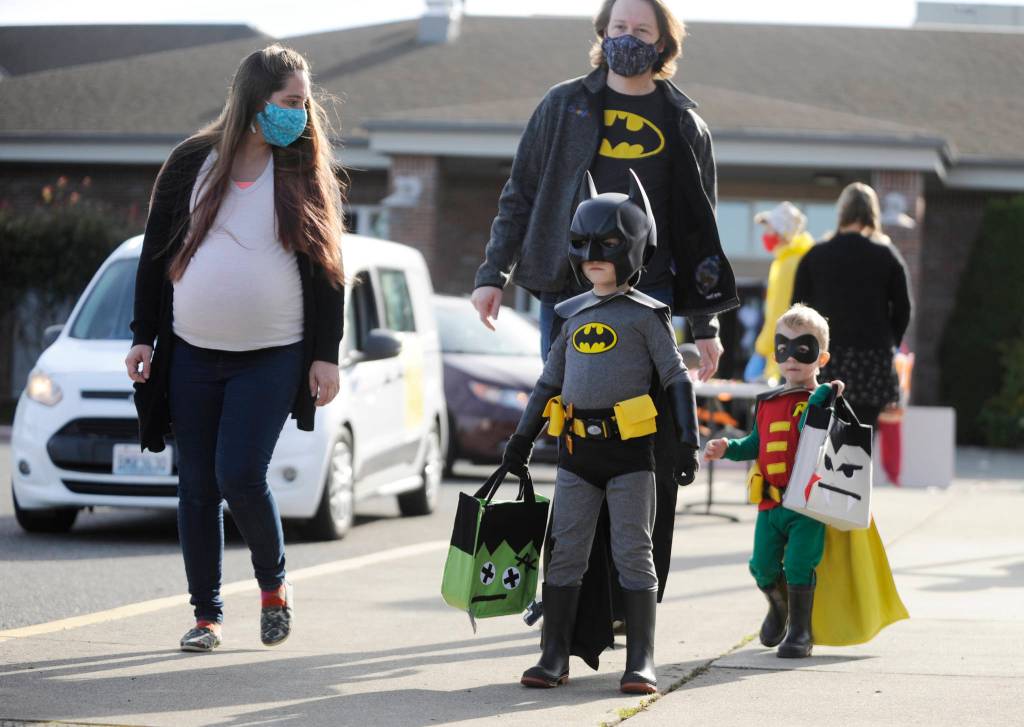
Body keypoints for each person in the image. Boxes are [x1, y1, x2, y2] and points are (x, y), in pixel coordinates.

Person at [472, 0, 738, 607]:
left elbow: (701, 231)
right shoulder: (563, 104)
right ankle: (566, 582)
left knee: (634, 441)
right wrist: (494, 271)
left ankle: (622, 586)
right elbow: (521, 192)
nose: (629, 38)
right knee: (569, 427)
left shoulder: (684, 122)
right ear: (602, 33)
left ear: (664, 42)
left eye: (642, 30)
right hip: (567, 291)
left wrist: (705, 322)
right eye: (620, 28)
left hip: (654, 294)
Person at [125, 45, 346, 652]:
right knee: (195, 484)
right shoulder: (192, 162)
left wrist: (325, 354)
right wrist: (144, 336)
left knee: (239, 473)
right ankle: (206, 615)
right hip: (192, 354)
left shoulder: (300, 167)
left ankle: (273, 588)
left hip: (273, 354)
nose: (300, 115)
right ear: (253, 101)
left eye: (304, 104)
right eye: (289, 103)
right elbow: (154, 256)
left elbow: (329, 269)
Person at [501, 170, 700, 693]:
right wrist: (520, 441)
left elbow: (678, 379)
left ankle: (642, 662)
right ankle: (553, 656)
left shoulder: (647, 317)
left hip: (632, 455)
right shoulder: (570, 314)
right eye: (584, 243)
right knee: (565, 550)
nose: (594, 254)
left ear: (634, 248)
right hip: (576, 455)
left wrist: (688, 441)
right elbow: (548, 383)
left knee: (633, 552)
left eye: (608, 244)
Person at [704, 304, 840, 657]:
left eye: (803, 349)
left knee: (798, 563)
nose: (792, 357)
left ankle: (800, 631)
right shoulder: (767, 402)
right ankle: (779, 608)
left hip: (806, 503)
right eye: (784, 348)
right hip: (770, 503)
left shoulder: (822, 400)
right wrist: (728, 447)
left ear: (821, 358)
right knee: (762, 566)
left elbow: (816, 432)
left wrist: (825, 399)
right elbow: (755, 444)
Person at [792, 183, 912, 430]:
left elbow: (797, 311)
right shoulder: (887, 255)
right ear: (873, 213)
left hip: (827, 360)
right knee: (861, 443)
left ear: (841, 212)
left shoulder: (816, 255)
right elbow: (904, 309)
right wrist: (890, 343)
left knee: (821, 440)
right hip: (873, 361)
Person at [747, 202, 815, 384]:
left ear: (781, 232)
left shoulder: (787, 265)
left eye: (768, 229)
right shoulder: (796, 260)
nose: (765, 235)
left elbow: (779, 316)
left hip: (783, 361)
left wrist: (761, 350)